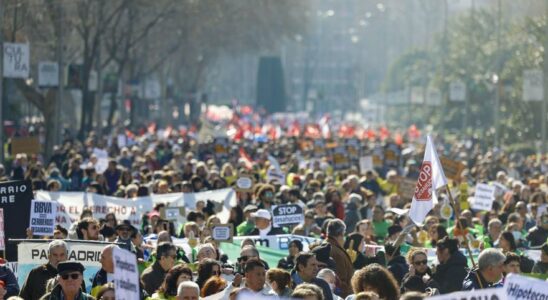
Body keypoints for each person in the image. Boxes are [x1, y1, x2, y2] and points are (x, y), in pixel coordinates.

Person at [326, 219, 353, 298]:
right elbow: (340, 281)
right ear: (341, 233)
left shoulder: (325, 246)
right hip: (340, 296)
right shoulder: (336, 252)